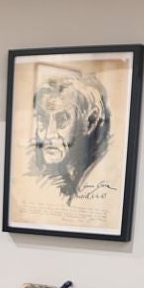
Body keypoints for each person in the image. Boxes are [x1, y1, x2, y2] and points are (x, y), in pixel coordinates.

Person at [29, 73, 112, 201]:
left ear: (90, 121)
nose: (48, 134)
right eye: (42, 120)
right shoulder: (36, 172)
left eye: (62, 120)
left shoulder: (103, 171)